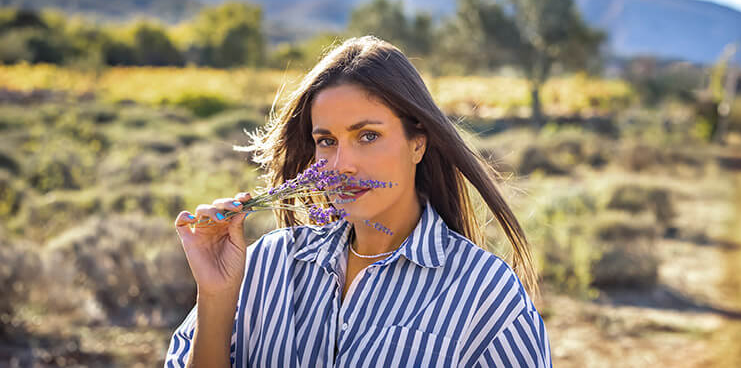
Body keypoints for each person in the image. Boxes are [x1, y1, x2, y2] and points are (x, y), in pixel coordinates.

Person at [166, 36, 552, 367]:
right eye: (327, 141)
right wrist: (216, 295)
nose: (341, 165)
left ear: (417, 143)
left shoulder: (483, 292)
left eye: (367, 136)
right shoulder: (267, 264)